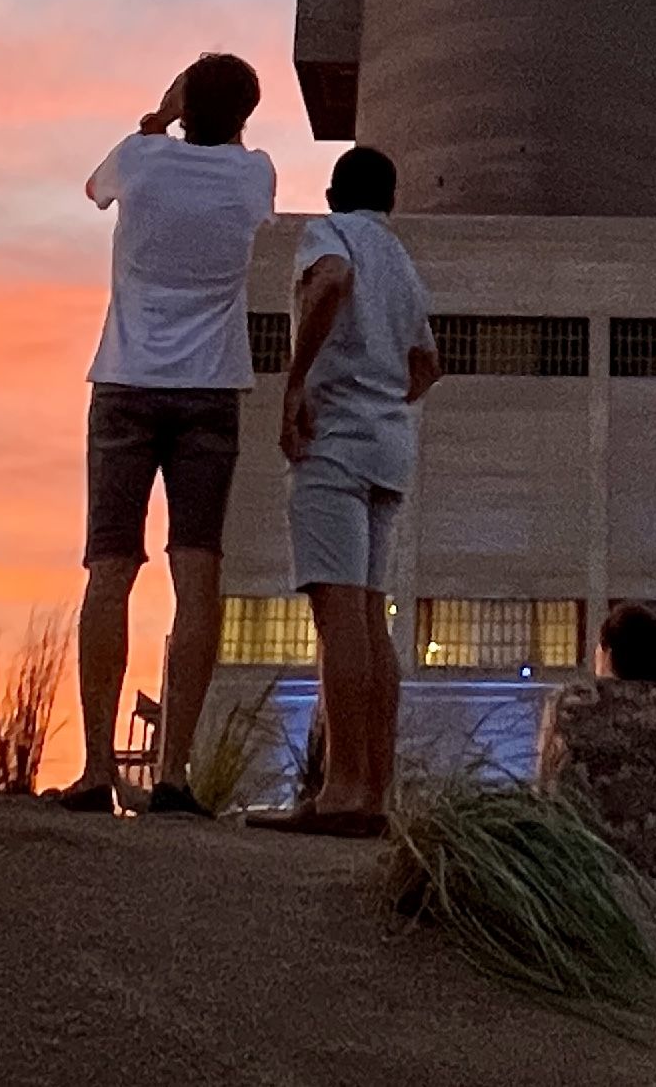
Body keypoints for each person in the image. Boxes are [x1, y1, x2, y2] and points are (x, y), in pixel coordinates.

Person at [60, 53, 277, 815]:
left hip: (124, 382)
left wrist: (156, 118)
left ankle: (95, 768)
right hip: (211, 388)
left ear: (184, 100)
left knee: (110, 569)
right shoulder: (255, 178)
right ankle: (176, 773)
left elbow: (94, 189)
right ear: (246, 111)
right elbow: (252, 190)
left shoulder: (140, 160)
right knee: (197, 575)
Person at [251, 142, 438, 838]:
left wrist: (298, 382)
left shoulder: (329, 236)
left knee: (337, 617)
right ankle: (373, 789)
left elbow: (328, 284)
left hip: (336, 442)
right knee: (368, 612)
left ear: (332, 195)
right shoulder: (401, 259)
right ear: (390, 199)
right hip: (390, 443)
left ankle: (342, 790)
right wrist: (388, 399)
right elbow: (428, 364)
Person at [536, 600, 656, 881]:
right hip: (655, 873)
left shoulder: (566, 702)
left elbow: (546, 786)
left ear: (608, 652)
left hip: (579, 869)